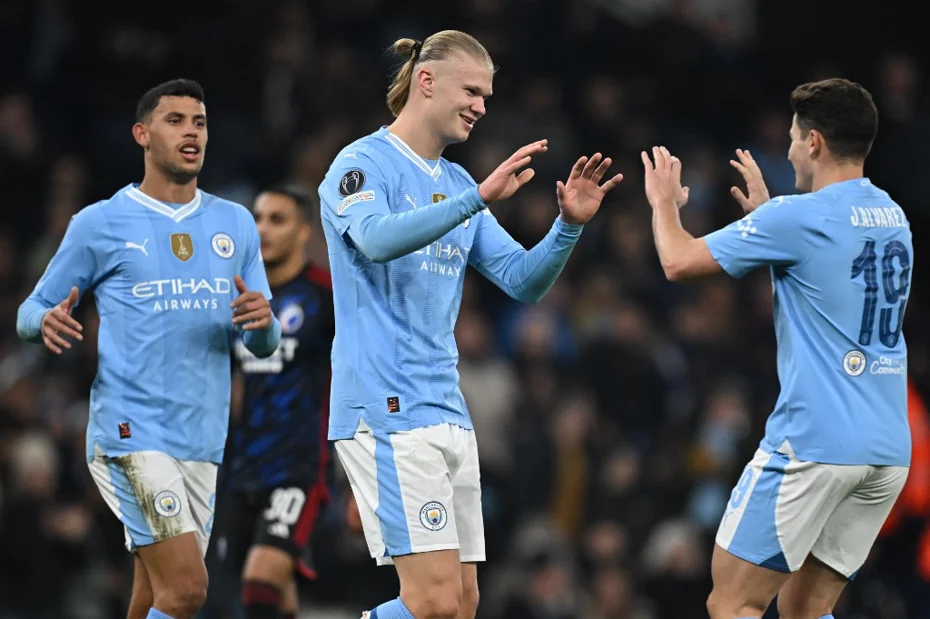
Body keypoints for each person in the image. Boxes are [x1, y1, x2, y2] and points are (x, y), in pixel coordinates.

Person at [318, 30, 623, 619]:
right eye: (473, 91)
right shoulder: (362, 163)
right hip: (386, 403)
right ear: (427, 81)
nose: (482, 106)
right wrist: (475, 199)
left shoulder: (456, 183)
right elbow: (375, 240)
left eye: (487, 95)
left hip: (446, 407)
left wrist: (568, 226)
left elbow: (522, 280)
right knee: (431, 601)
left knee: (461, 604)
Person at [641, 78, 912, 619]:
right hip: (884, 450)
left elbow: (677, 261)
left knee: (733, 601)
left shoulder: (797, 217)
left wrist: (663, 204)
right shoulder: (893, 217)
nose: (788, 151)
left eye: (792, 138)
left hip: (815, 441)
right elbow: (825, 278)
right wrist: (767, 221)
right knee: (805, 611)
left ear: (813, 142)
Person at [16, 79, 281, 619]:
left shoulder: (235, 223)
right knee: (188, 590)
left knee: (155, 597)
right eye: (175, 121)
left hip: (202, 437)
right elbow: (29, 310)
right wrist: (43, 320)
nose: (191, 132)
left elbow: (263, 338)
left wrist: (263, 325)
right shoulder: (100, 223)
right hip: (131, 430)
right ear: (142, 134)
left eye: (199, 122)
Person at [221, 185, 335, 619]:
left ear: (304, 231)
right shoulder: (238, 297)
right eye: (257, 218)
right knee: (270, 594)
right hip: (242, 467)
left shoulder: (326, 296)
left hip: (299, 466)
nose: (262, 229)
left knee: (261, 580)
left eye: (277, 219)